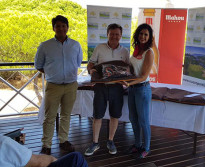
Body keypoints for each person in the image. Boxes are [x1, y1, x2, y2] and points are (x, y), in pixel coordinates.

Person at [34, 15, 83, 155]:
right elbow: (38, 65)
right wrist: (51, 73)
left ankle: (63, 140)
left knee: (66, 115)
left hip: (71, 85)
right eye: (58, 26)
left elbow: (78, 63)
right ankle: (46, 144)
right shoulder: (45, 45)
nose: (61, 28)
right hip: (53, 86)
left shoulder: (76, 45)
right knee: (49, 116)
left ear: (67, 27)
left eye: (63, 26)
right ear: (53, 28)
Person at [84, 24, 129, 156]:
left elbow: (127, 69)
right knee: (97, 115)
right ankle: (95, 143)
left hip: (117, 88)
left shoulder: (125, 52)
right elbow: (91, 63)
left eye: (117, 34)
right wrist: (91, 69)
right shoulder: (99, 48)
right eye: (112, 33)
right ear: (107, 34)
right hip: (100, 86)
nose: (114, 36)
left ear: (121, 36)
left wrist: (127, 75)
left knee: (115, 115)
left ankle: (110, 141)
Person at [0, 135, 92, 167]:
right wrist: (52, 159)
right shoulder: (3, 143)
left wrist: (15, 143)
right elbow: (39, 163)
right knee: (76, 160)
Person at [123, 23, 154, 158]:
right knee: (133, 119)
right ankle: (137, 144)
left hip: (142, 89)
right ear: (137, 35)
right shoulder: (136, 49)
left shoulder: (149, 52)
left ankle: (146, 148)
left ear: (149, 37)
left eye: (146, 34)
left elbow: (143, 76)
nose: (143, 36)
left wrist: (128, 83)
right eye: (141, 34)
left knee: (143, 120)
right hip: (133, 89)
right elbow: (132, 70)